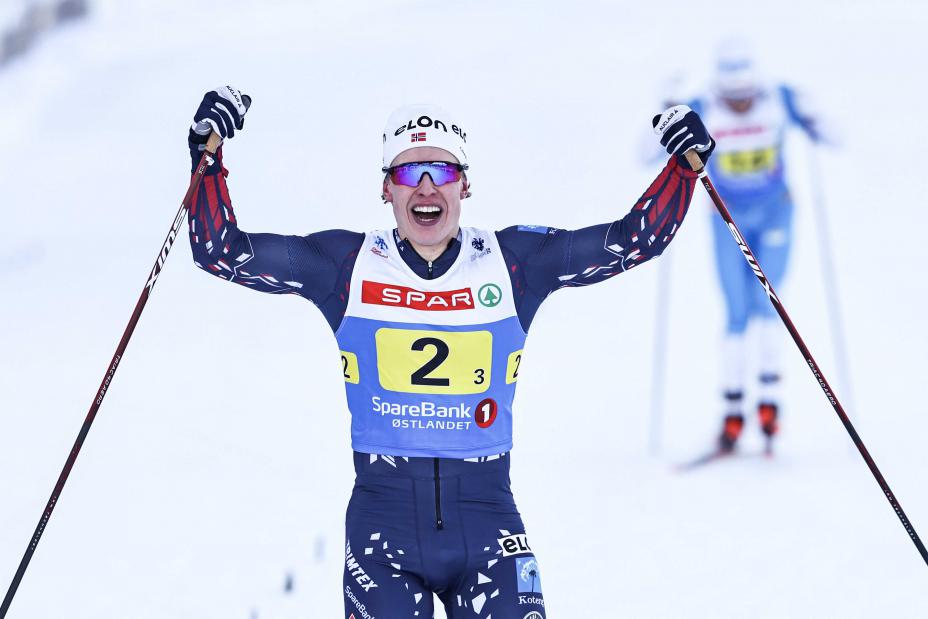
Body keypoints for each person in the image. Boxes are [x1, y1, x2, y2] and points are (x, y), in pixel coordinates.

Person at [186, 86, 713, 617]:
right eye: (407, 172)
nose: (426, 187)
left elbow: (633, 241)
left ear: (464, 183)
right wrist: (208, 157)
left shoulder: (513, 262)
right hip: (382, 527)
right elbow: (220, 251)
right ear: (386, 189)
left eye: (440, 170)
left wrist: (682, 168)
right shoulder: (347, 265)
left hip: (488, 522)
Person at [689, 39, 826, 453]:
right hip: (727, 217)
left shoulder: (779, 100)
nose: (740, 104)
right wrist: (665, 112)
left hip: (775, 213)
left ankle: (769, 407)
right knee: (736, 311)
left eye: (746, 95)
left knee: (769, 304)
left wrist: (814, 114)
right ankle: (732, 414)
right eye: (732, 97)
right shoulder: (702, 107)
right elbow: (645, 152)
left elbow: (836, 136)